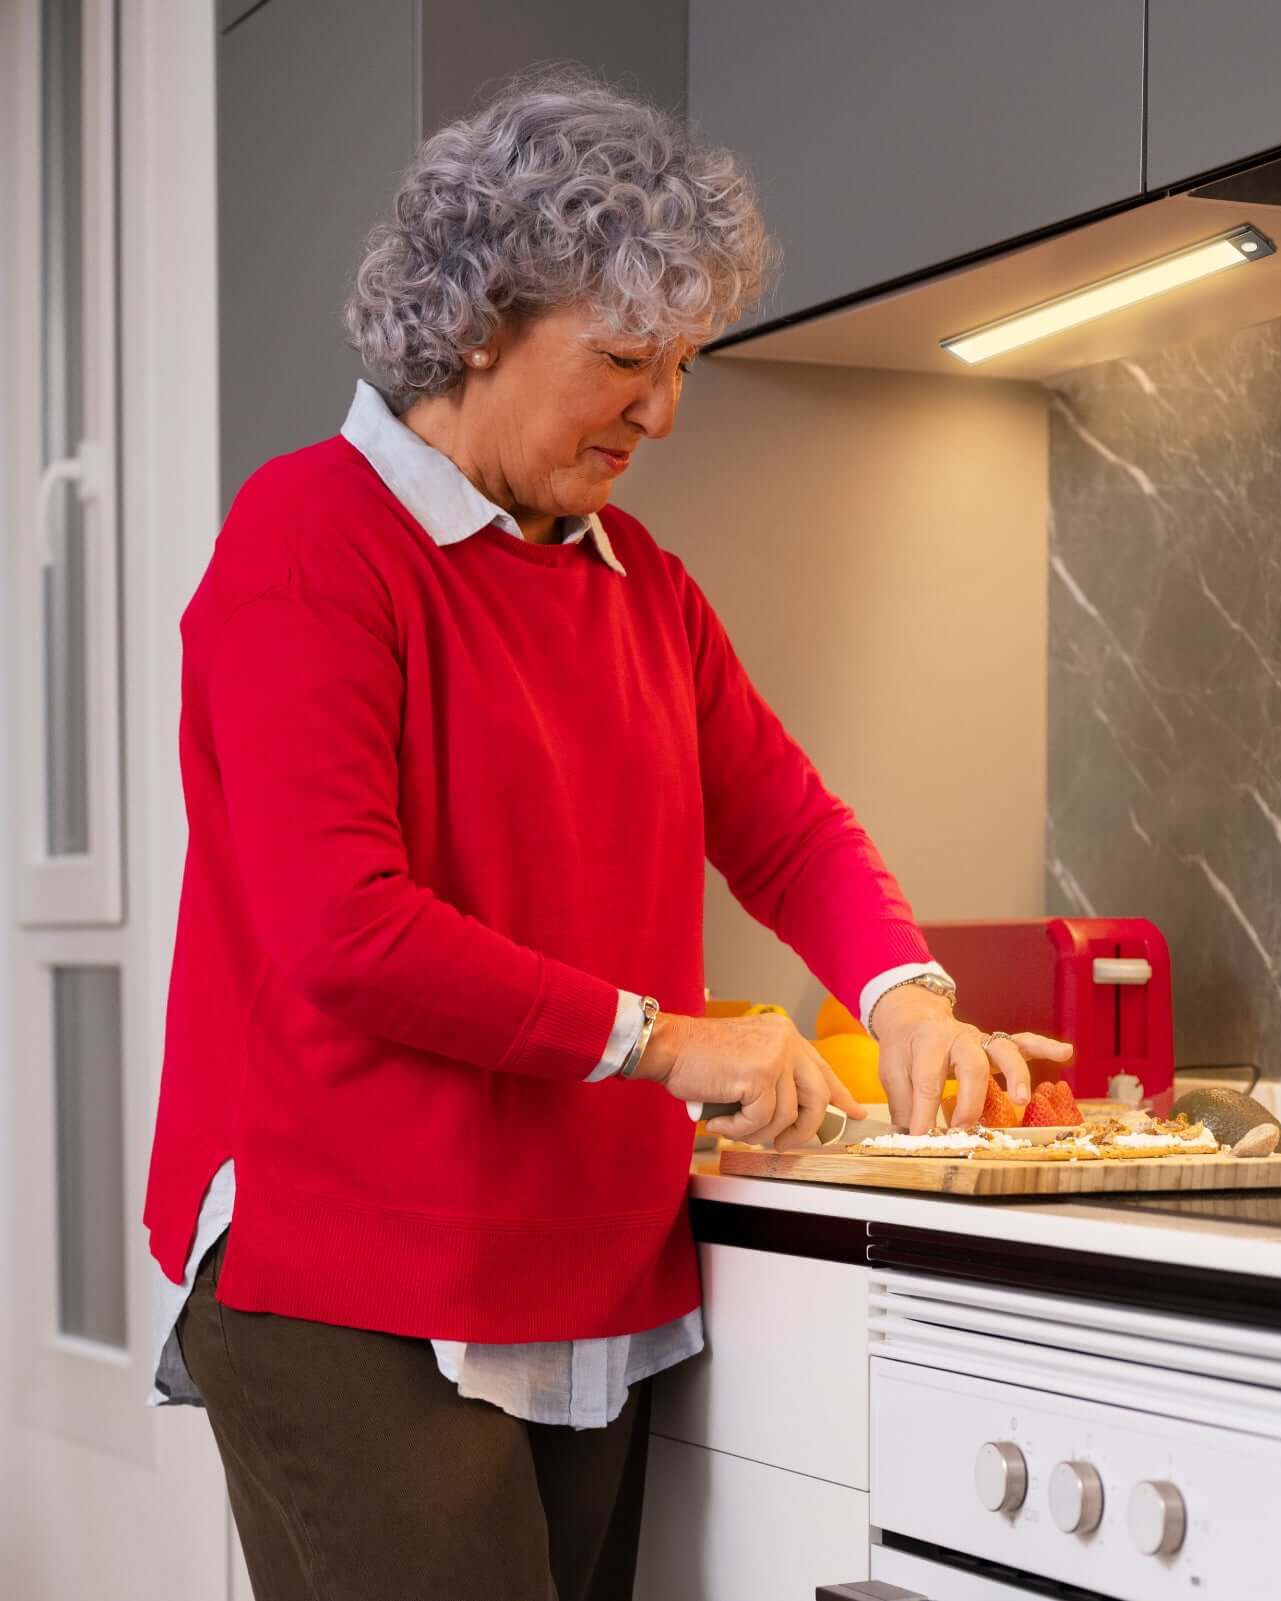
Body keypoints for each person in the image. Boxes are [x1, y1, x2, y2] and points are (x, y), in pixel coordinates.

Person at [141, 65, 1071, 1601]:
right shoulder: (310, 541)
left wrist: (905, 991)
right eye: (625, 357)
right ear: (477, 324)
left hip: (580, 1255)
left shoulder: (636, 579)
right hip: (345, 1266)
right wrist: (668, 1040)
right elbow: (344, 926)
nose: (662, 407)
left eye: (686, 359)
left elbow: (782, 826)